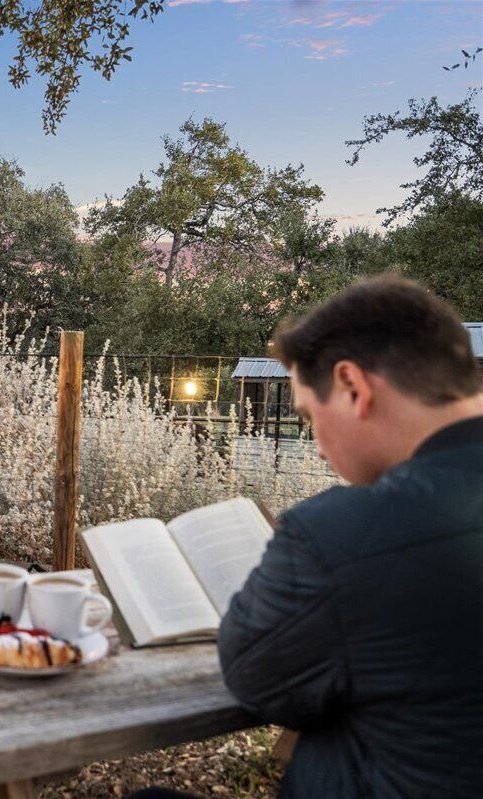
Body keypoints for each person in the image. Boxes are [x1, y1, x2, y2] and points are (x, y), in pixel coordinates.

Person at [134, 275, 483, 799]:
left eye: (307, 417)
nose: (317, 448)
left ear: (353, 387)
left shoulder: (347, 530)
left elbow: (255, 678)